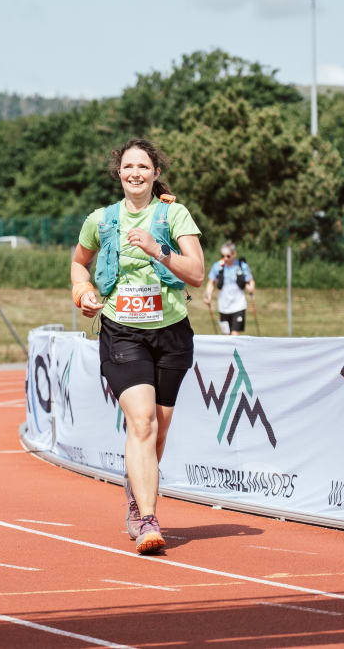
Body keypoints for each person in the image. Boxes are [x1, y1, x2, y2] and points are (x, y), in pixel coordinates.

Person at [70, 138, 204, 555]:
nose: (135, 173)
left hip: (172, 334)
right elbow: (79, 264)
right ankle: (147, 519)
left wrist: (158, 249)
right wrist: (83, 292)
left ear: (155, 173)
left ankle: (135, 491)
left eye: (143, 167)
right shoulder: (101, 220)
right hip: (122, 333)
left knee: (157, 431)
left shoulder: (174, 214)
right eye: (129, 166)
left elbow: (197, 273)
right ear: (119, 172)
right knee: (142, 422)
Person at [204, 241, 255, 336]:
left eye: (228, 256)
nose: (225, 258)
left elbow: (251, 281)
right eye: (223, 256)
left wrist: (251, 288)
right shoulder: (217, 266)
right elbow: (211, 283)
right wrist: (208, 295)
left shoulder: (242, 266)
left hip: (238, 306)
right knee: (226, 337)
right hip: (223, 307)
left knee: (234, 337)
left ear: (234, 254)